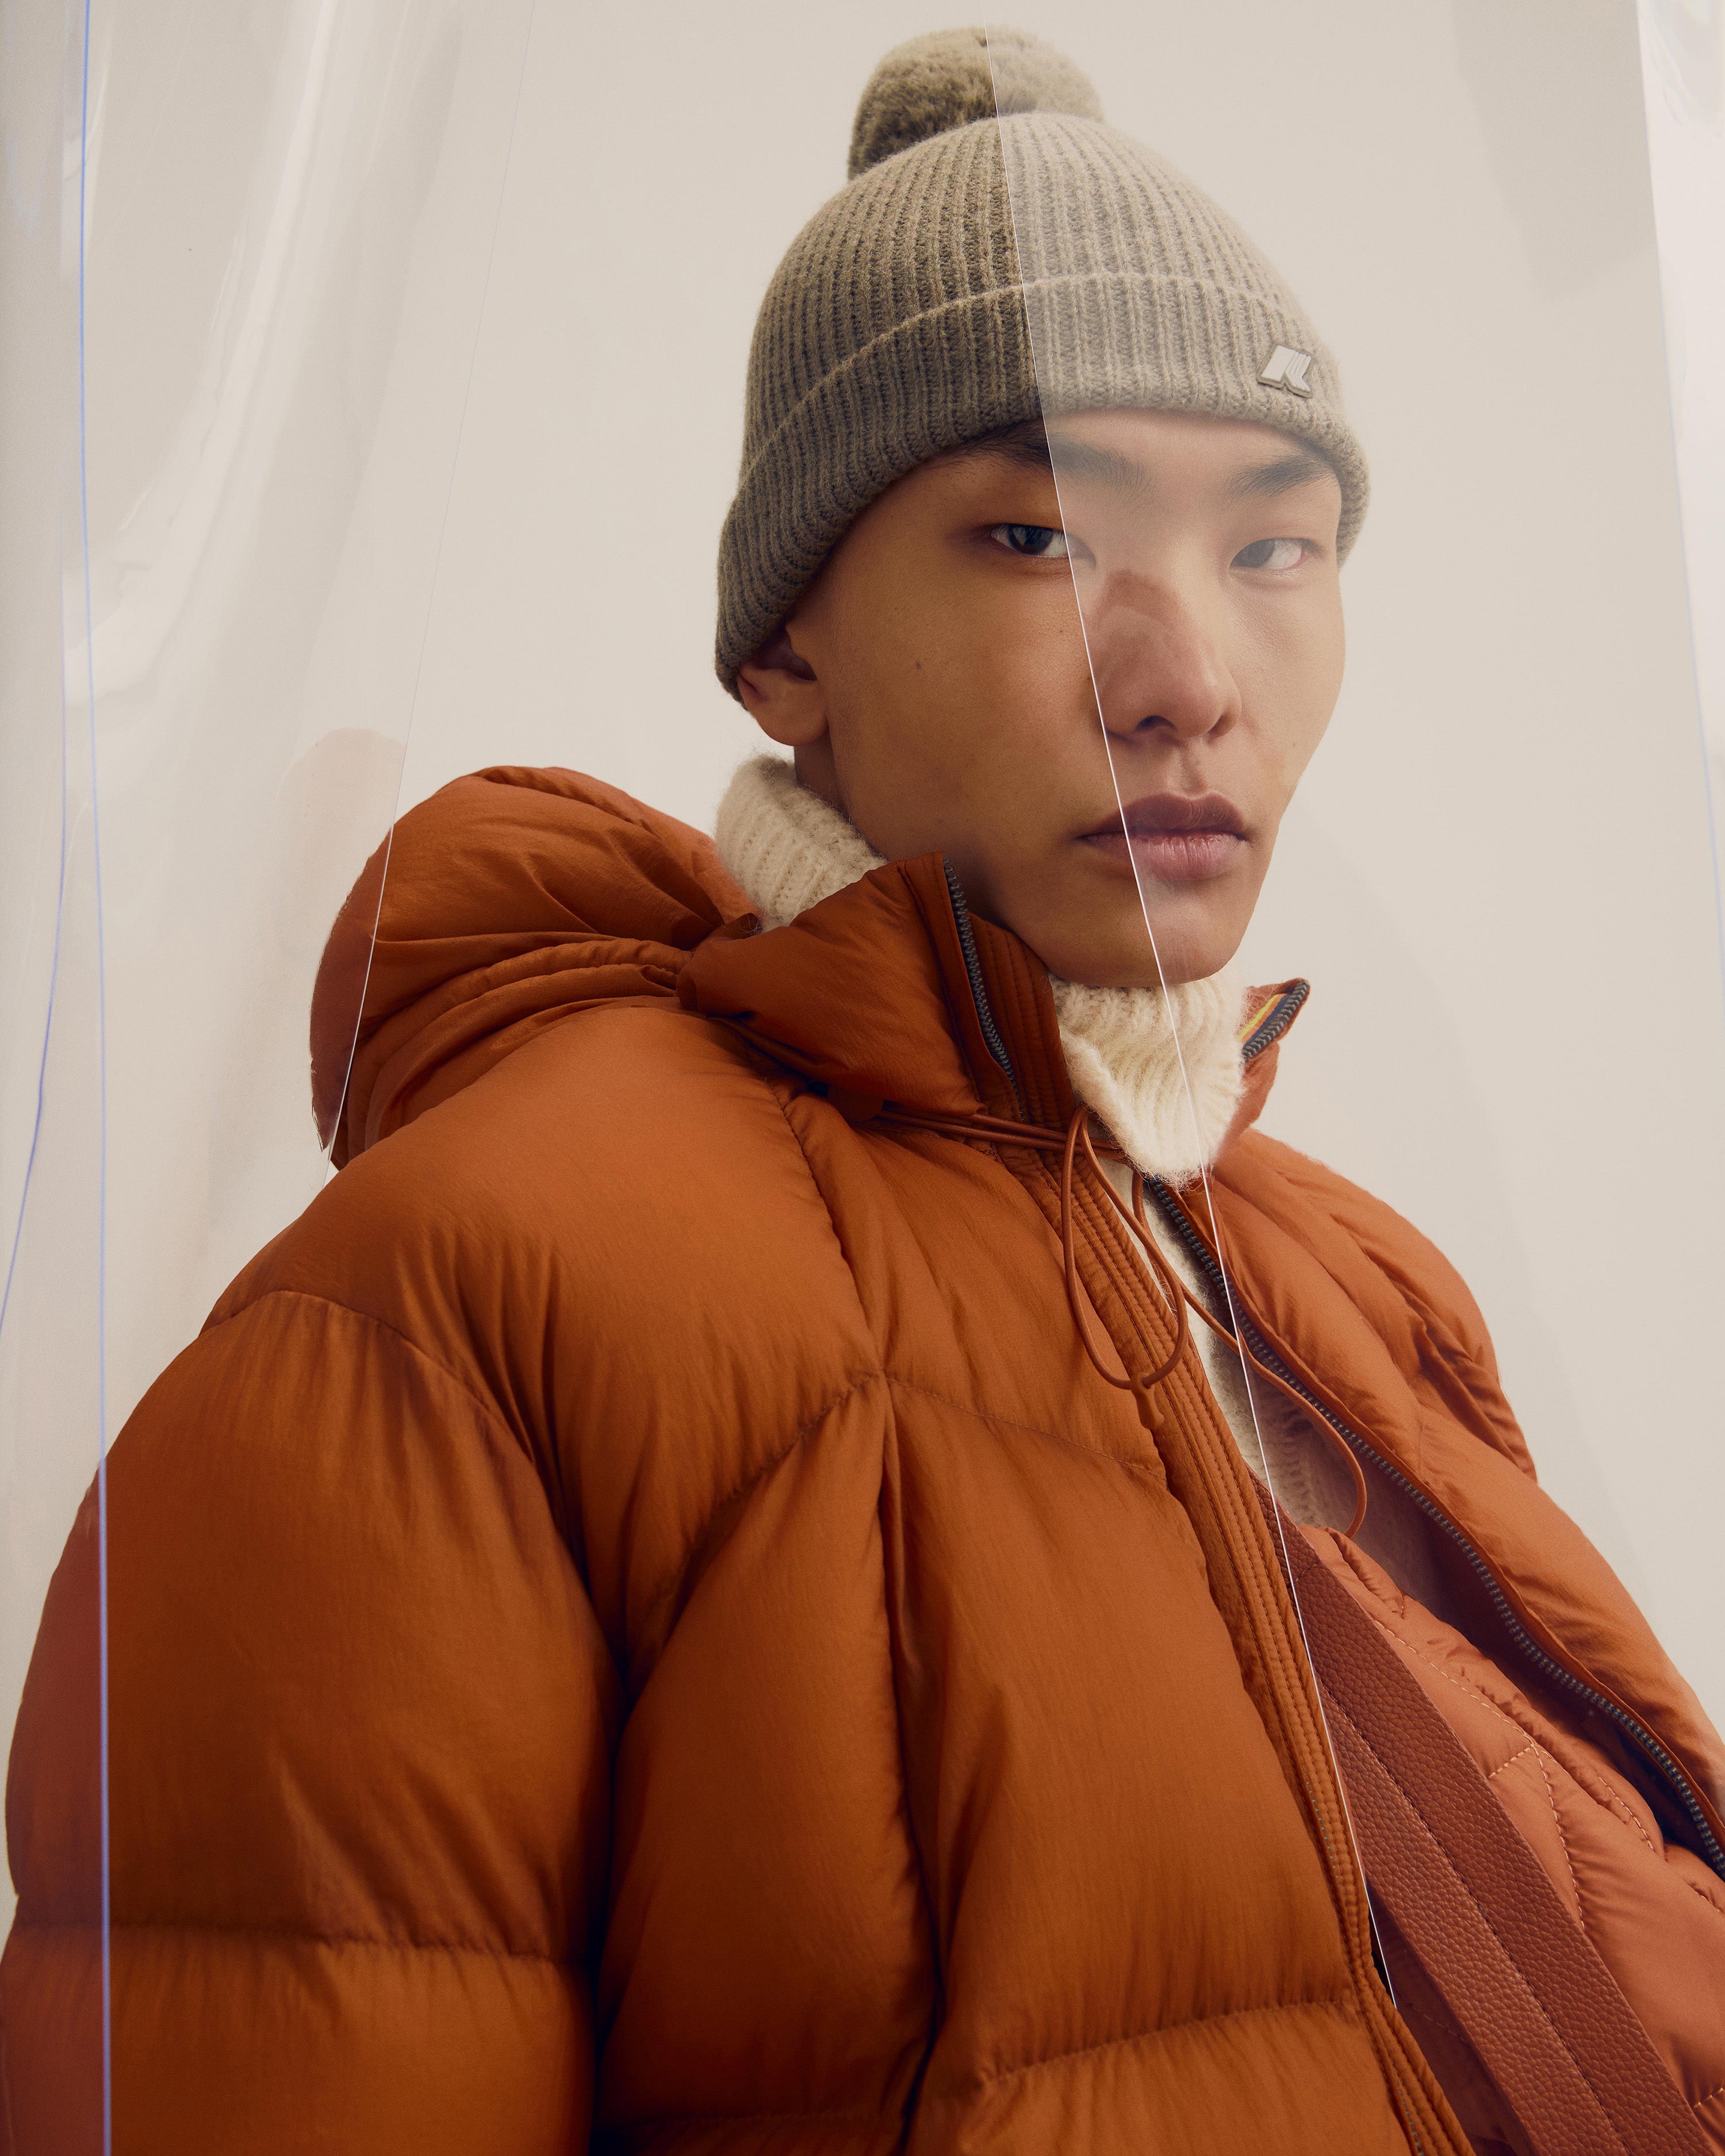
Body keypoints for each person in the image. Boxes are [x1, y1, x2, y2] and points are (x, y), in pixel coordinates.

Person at [4, 26, 1723, 2155]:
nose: (1191, 676)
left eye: (1276, 550)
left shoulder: (1361, 1286)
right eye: (1035, 536)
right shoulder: (449, 1323)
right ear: (784, 649)